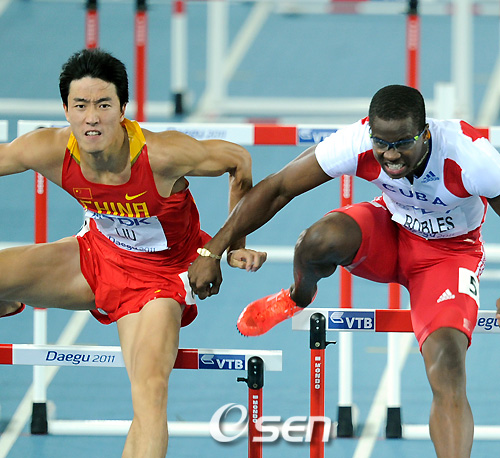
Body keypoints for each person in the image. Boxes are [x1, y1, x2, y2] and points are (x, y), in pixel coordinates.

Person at [188, 84, 500, 458]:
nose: (391, 155)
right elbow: (279, 187)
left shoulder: (470, 156)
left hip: (449, 256)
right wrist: (212, 250)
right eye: (382, 143)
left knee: (447, 363)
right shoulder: (357, 141)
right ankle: (297, 297)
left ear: (426, 134)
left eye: (403, 143)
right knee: (318, 240)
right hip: (390, 231)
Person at [0, 48, 266, 458]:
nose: (92, 117)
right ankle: (8, 298)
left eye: (103, 105)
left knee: (149, 392)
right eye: (80, 106)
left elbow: (239, 159)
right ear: (66, 111)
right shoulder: (48, 149)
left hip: (160, 281)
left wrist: (228, 249)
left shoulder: (162, 155)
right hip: (96, 256)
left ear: (123, 109)